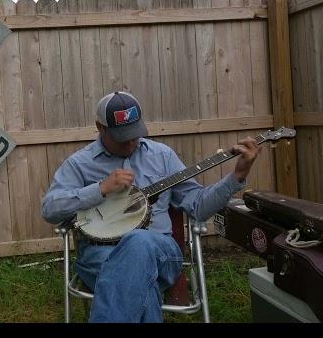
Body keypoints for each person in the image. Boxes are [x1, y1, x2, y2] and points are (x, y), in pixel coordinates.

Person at [41, 91, 260, 323]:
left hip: (161, 253)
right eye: (121, 136)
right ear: (100, 127)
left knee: (138, 241)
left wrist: (238, 174)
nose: (131, 142)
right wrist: (101, 188)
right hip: (100, 255)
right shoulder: (80, 164)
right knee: (141, 283)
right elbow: (50, 209)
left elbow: (199, 207)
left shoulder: (162, 156)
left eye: (135, 134)